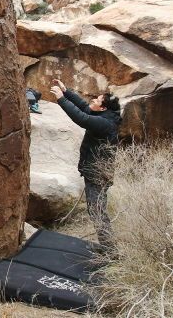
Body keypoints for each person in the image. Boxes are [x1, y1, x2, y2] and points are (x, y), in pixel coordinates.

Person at [49, 79, 121, 250]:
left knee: (97, 211)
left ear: (103, 108)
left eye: (96, 100)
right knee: (96, 210)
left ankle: (110, 250)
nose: (93, 101)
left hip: (98, 175)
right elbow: (84, 107)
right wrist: (66, 92)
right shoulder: (105, 114)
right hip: (96, 172)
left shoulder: (105, 124)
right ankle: (108, 246)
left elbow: (81, 118)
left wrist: (61, 99)